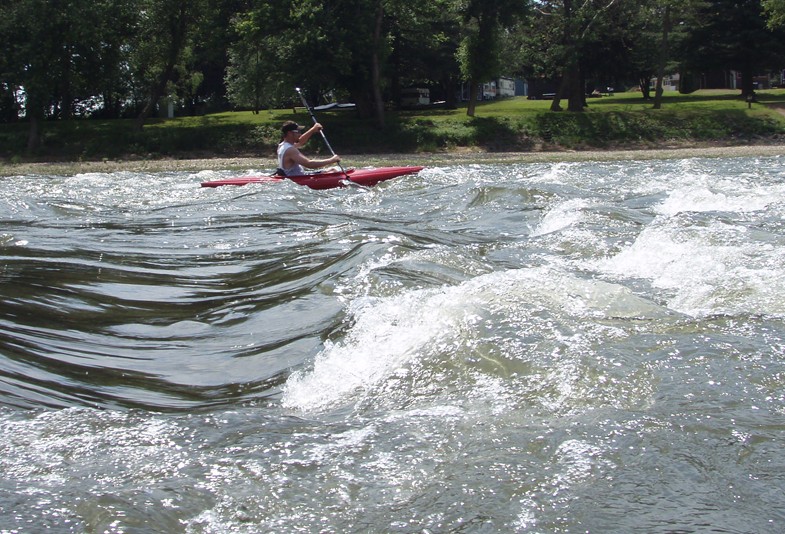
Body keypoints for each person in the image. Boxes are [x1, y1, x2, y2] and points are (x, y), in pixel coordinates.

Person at [277, 121, 341, 176]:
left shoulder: (282, 145)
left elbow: (300, 142)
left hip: (297, 175)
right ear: (289, 133)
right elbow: (309, 164)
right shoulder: (290, 150)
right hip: (298, 178)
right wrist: (332, 160)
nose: (300, 134)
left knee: (333, 169)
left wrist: (313, 129)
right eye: (298, 131)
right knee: (335, 170)